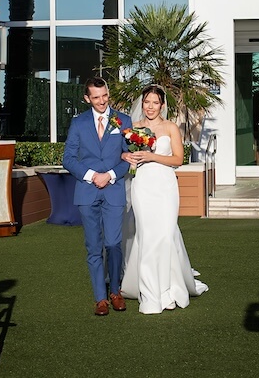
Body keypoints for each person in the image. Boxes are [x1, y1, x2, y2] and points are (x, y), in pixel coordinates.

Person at [120, 84, 208, 314]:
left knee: (166, 235)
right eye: (146, 101)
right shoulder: (133, 128)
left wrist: (151, 156)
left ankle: (170, 289)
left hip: (166, 186)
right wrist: (127, 156)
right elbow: (121, 151)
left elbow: (178, 159)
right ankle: (151, 294)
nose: (150, 106)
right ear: (142, 103)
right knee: (148, 237)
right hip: (143, 185)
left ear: (162, 105)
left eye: (155, 102)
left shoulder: (171, 128)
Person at [63, 77, 132, 316]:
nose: (102, 101)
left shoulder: (123, 120)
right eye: (96, 97)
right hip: (87, 192)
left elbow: (128, 158)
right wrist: (92, 175)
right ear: (87, 98)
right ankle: (100, 298)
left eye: (104, 95)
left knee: (113, 243)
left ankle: (115, 291)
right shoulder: (78, 123)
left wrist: (111, 174)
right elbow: (68, 159)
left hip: (113, 190)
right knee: (93, 247)